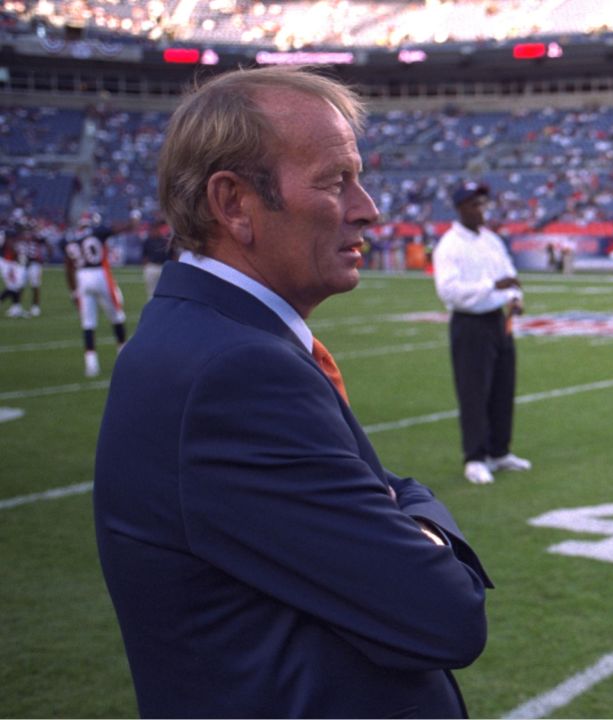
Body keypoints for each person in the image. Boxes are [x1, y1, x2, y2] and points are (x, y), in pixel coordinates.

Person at [93, 66, 491, 718]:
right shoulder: (237, 372)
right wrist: (419, 517)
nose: (368, 207)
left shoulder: (213, 339)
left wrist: (398, 511)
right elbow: (446, 615)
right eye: (336, 181)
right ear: (234, 204)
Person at [433, 180, 532, 485]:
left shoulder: (491, 240)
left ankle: (499, 450)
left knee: (503, 387)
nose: (481, 210)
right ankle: (474, 457)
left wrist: (515, 299)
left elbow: (510, 275)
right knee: (474, 391)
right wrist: (492, 287)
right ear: (460, 207)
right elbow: (448, 292)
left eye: (482, 204)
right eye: (474, 204)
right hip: (469, 324)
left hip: (498, 320)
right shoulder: (450, 245)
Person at [62, 212, 128, 377]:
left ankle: (91, 365)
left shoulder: (71, 239)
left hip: (81, 277)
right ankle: (124, 356)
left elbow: (68, 268)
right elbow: (117, 229)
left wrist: (73, 291)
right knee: (117, 316)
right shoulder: (97, 232)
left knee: (88, 323)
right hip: (100, 274)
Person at [139, 219, 175, 301]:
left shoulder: (165, 241)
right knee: (151, 292)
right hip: (152, 266)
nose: (155, 231)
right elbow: (144, 256)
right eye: (153, 229)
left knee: (166, 290)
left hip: (164, 266)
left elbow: (172, 255)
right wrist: (145, 267)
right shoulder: (147, 241)